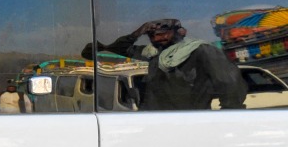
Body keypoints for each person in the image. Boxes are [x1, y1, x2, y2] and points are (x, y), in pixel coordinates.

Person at [94, 18, 246, 110]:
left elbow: (230, 86)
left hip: (189, 128)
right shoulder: (152, 53)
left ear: (180, 32)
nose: (157, 38)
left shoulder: (202, 51)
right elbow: (115, 49)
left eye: (163, 34)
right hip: (154, 126)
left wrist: (223, 121)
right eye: (152, 35)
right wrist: (137, 33)